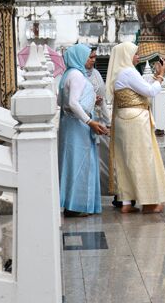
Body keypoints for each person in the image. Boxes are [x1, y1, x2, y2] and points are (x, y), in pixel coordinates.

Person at [106, 41, 165, 214]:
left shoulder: (119, 73)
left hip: (124, 119)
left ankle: (127, 202)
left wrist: (155, 76)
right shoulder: (128, 72)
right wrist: (161, 75)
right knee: (142, 159)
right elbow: (150, 92)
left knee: (126, 160)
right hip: (135, 121)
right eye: (135, 53)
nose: (138, 56)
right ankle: (149, 202)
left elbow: (139, 86)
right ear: (127, 55)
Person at [58, 43, 108, 217]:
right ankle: (78, 205)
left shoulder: (66, 75)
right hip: (79, 126)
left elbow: (61, 102)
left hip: (69, 124)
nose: (93, 60)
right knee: (81, 164)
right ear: (79, 57)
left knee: (71, 163)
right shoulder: (77, 76)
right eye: (90, 57)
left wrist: (90, 102)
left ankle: (71, 204)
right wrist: (89, 121)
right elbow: (72, 102)